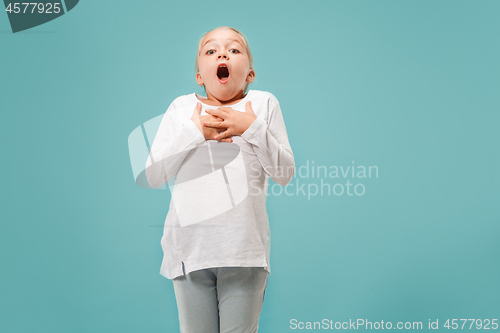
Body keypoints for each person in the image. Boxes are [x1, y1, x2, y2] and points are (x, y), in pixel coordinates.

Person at [145, 26, 295, 333]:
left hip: (244, 252)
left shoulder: (263, 106)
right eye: (211, 51)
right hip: (189, 253)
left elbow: (284, 173)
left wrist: (250, 127)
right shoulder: (183, 109)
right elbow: (153, 174)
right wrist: (195, 131)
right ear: (200, 75)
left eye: (234, 50)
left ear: (250, 74)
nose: (223, 54)